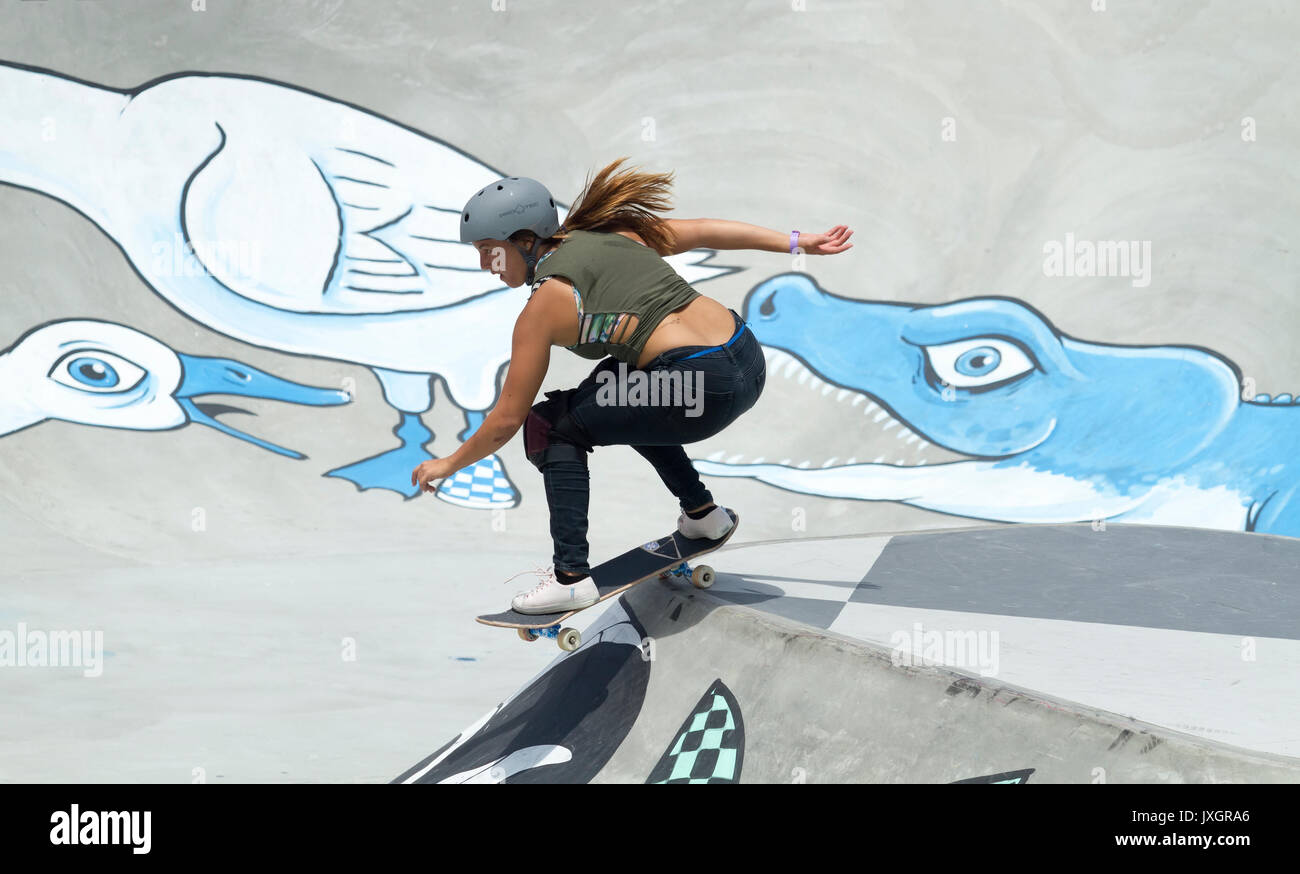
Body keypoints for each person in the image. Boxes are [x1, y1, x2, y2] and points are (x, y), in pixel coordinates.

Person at [412, 158, 852, 613]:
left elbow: (507, 419)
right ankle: (703, 516)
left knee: (551, 425)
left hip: (698, 389)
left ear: (525, 241)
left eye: (490, 250)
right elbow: (703, 230)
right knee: (615, 387)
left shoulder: (544, 304)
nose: (485, 264)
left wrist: (449, 463)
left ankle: (570, 577)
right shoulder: (614, 233)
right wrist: (798, 242)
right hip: (746, 356)